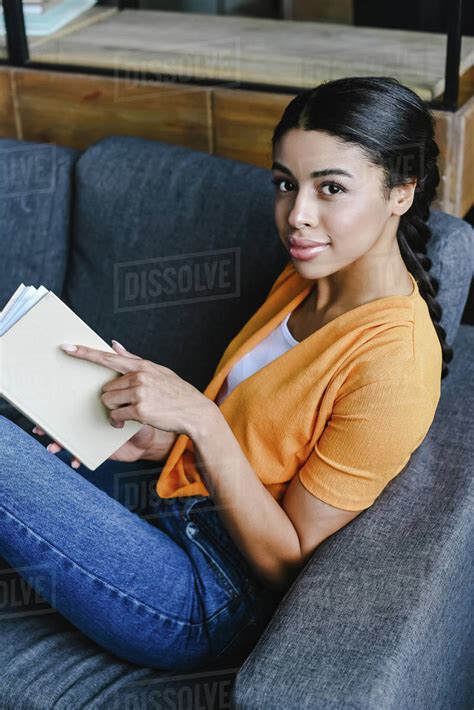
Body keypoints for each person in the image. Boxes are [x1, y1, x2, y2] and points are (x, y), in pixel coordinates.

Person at [0, 76, 452, 673]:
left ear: (401, 191)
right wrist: (163, 440)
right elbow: (261, 447)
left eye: (331, 188)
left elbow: (287, 561)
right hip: (169, 505)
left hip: (209, 595)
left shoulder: (395, 363)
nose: (298, 216)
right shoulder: (307, 277)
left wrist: (200, 421)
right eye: (286, 184)